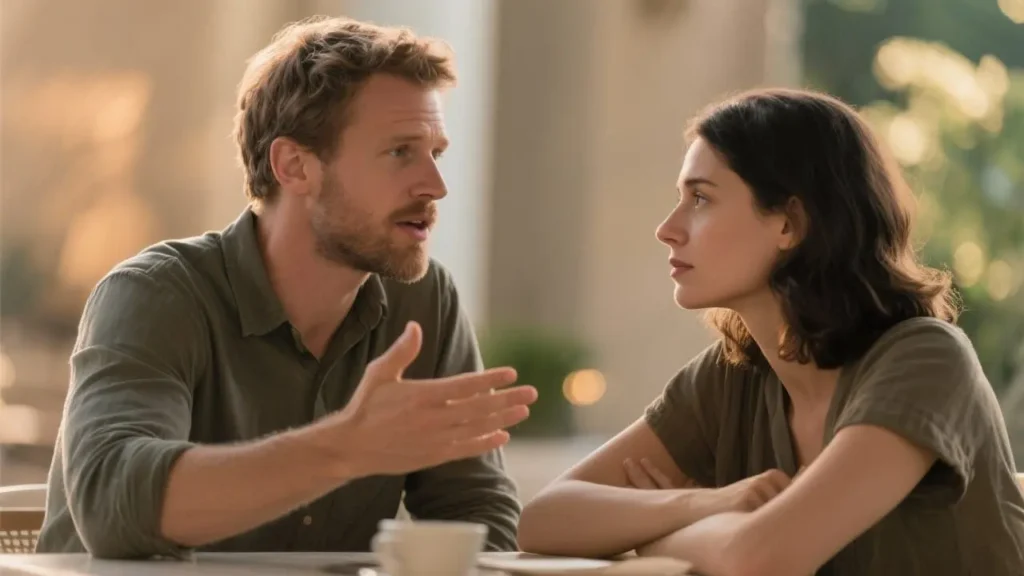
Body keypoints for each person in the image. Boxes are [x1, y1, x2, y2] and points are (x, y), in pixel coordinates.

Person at [36, 16, 537, 559]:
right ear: (295, 166)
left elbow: (477, 515)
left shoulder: (423, 302)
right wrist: (346, 446)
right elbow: (114, 503)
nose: (434, 185)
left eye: (434, 153)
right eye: (399, 152)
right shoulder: (156, 295)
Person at [517, 88, 1024, 575]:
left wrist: (650, 536)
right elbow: (543, 520)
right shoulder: (735, 374)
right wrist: (703, 503)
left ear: (790, 224)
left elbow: (760, 561)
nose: (667, 227)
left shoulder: (925, 361)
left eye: (700, 198)